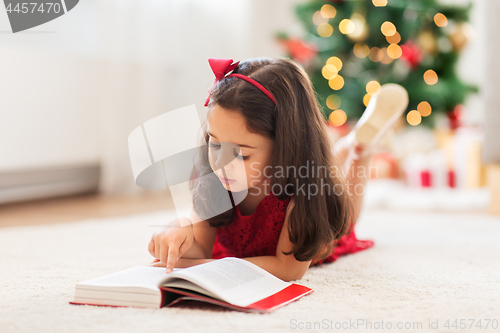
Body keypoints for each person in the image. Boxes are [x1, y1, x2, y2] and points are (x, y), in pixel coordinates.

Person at [148, 57, 408, 282]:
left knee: (346, 214)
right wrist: (179, 232)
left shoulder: (307, 192)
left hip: (321, 218)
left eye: (241, 153)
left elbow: (288, 270)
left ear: (286, 148)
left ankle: (360, 149)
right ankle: (344, 148)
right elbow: (200, 250)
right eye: (215, 144)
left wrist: (200, 268)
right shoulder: (214, 178)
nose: (221, 163)